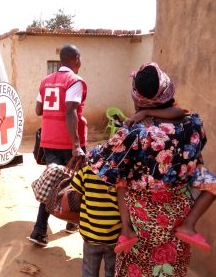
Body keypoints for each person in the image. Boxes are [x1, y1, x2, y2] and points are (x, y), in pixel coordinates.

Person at [87, 62, 214, 276]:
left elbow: (101, 161)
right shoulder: (191, 125)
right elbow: (180, 112)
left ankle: (126, 230)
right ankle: (190, 225)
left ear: (137, 98)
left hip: (142, 217)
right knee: (172, 266)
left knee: (136, 266)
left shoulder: (134, 134)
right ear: (167, 91)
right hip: (179, 212)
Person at [28, 45, 87, 247]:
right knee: (77, 185)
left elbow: (38, 109)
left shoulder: (46, 81)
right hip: (69, 143)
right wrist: (76, 145)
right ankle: (71, 223)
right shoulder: (75, 81)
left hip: (48, 141)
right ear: (76, 59)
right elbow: (70, 111)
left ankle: (39, 231)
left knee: (53, 184)